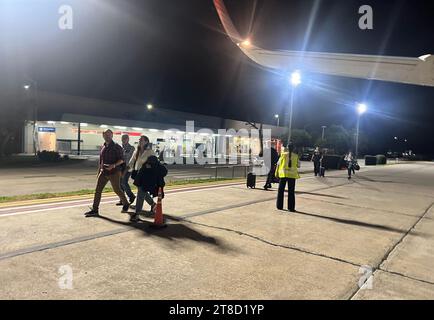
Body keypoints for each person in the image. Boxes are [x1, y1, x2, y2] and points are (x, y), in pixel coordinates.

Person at [85, 129, 130, 217]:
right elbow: (101, 161)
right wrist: (98, 172)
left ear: (112, 135)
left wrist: (113, 165)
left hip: (114, 172)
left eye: (109, 135)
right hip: (104, 172)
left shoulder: (117, 147)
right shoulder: (103, 147)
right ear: (103, 135)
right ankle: (95, 210)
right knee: (98, 190)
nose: (107, 136)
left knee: (117, 190)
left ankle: (126, 203)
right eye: (106, 135)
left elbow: (122, 160)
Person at [131, 155, 168, 222]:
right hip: (145, 184)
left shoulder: (150, 166)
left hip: (146, 184)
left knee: (141, 196)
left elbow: (164, 172)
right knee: (142, 195)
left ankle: (137, 213)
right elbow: (164, 172)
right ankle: (152, 205)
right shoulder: (154, 166)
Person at [275, 143, 300, 212]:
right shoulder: (296, 156)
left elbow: (278, 164)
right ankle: (291, 208)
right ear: (293, 148)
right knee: (291, 192)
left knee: (280, 191)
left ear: (287, 148)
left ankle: (279, 206)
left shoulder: (283, 155)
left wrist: (276, 173)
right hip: (292, 176)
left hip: (283, 175)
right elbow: (298, 165)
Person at [116, 134, 136, 206]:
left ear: (128, 139)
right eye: (122, 138)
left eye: (125, 138)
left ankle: (131, 196)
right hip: (120, 168)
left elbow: (128, 157)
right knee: (120, 184)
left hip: (128, 168)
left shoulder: (131, 148)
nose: (123, 139)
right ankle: (122, 200)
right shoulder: (119, 147)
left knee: (124, 182)